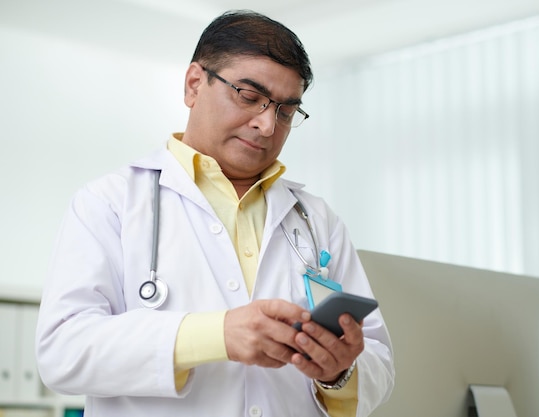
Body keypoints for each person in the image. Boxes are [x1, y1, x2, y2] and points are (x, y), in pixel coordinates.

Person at [35, 9, 394, 417]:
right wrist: (217, 334)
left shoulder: (316, 219)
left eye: (285, 111)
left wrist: (338, 373)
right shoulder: (110, 202)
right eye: (248, 95)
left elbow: (378, 356)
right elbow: (62, 351)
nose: (266, 124)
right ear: (193, 85)